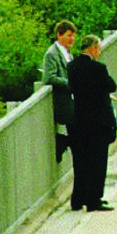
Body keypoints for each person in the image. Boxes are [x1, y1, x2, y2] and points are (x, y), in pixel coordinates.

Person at [67, 35, 117, 212]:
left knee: (81, 162)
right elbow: (112, 86)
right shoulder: (99, 68)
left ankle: (78, 198)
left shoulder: (71, 67)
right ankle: (94, 199)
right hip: (98, 122)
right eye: (99, 49)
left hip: (79, 121)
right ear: (93, 48)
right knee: (97, 163)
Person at [42, 20, 76, 163]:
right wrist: (70, 83)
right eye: (68, 35)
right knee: (77, 135)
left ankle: (64, 142)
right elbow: (49, 77)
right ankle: (63, 142)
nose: (72, 39)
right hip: (63, 103)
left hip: (73, 101)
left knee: (79, 134)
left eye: (73, 36)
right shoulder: (52, 54)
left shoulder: (67, 53)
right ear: (59, 35)